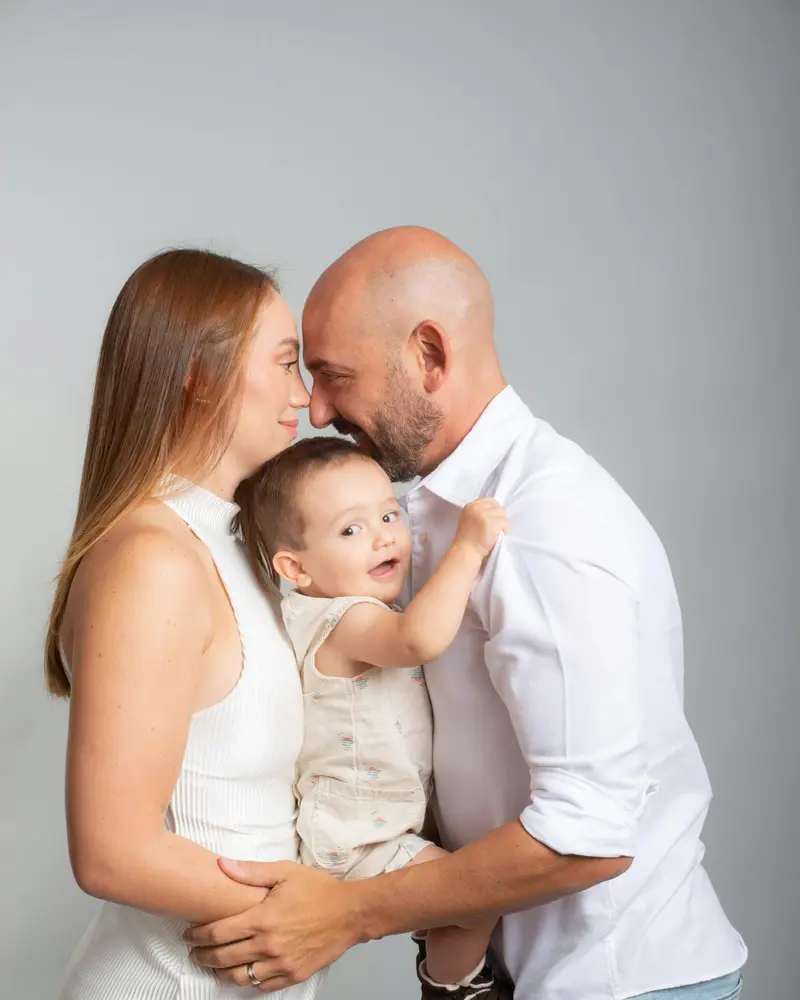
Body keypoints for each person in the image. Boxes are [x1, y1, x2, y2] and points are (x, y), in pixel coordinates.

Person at [186, 227, 748, 1000]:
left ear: (430, 356)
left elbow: (588, 836)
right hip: (521, 977)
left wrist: (347, 912)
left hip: (619, 983)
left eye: (334, 375)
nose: (315, 408)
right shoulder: (414, 511)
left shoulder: (544, 525)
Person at [47, 248, 324, 999]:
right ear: (200, 374)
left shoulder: (235, 546)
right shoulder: (153, 560)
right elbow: (112, 850)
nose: (307, 399)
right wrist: (325, 916)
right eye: (286, 363)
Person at [243, 435, 508, 998]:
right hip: (359, 837)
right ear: (296, 567)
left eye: (389, 513)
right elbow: (419, 639)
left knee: (462, 893)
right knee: (477, 900)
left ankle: (444, 959)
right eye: (350, 529)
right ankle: (453, 984)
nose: (384, 535)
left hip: (373, 825)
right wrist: (467, 547)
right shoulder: (346, 619)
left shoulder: (329, 611)